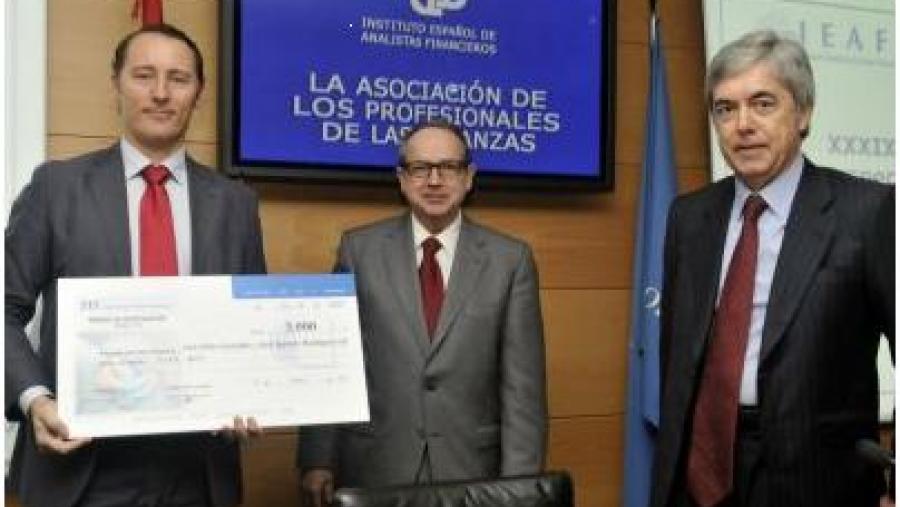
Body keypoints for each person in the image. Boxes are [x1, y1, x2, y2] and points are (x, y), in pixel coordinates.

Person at [5, 24, 266, 507]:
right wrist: (35, 399)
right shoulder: (55, 188)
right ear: (116, 85)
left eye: (179, 78)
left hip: (197, 472)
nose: (161, 93)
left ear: (199, 93)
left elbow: (251, 324)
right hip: (78, 466)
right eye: (144, 75)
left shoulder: (237, 203)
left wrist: (250, 392)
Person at [650, 30, 894, 507]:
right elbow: (677, 362)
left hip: (817, 479)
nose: (742, 124)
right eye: (725, 108)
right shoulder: (688, 216)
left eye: (763, 104)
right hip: (698, 471)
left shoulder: (868, 211)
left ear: (802, 113)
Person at [297, 119, 548, 506]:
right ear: (401, 178)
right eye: (420, 168)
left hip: (473, 475)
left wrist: (519, 489)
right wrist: (317, 458)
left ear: (469, 177)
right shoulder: (358, 251)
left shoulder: (509, 261)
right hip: (377, 469)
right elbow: (334, 362)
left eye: (448, 167)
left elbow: (523, 392)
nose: (434, 180)